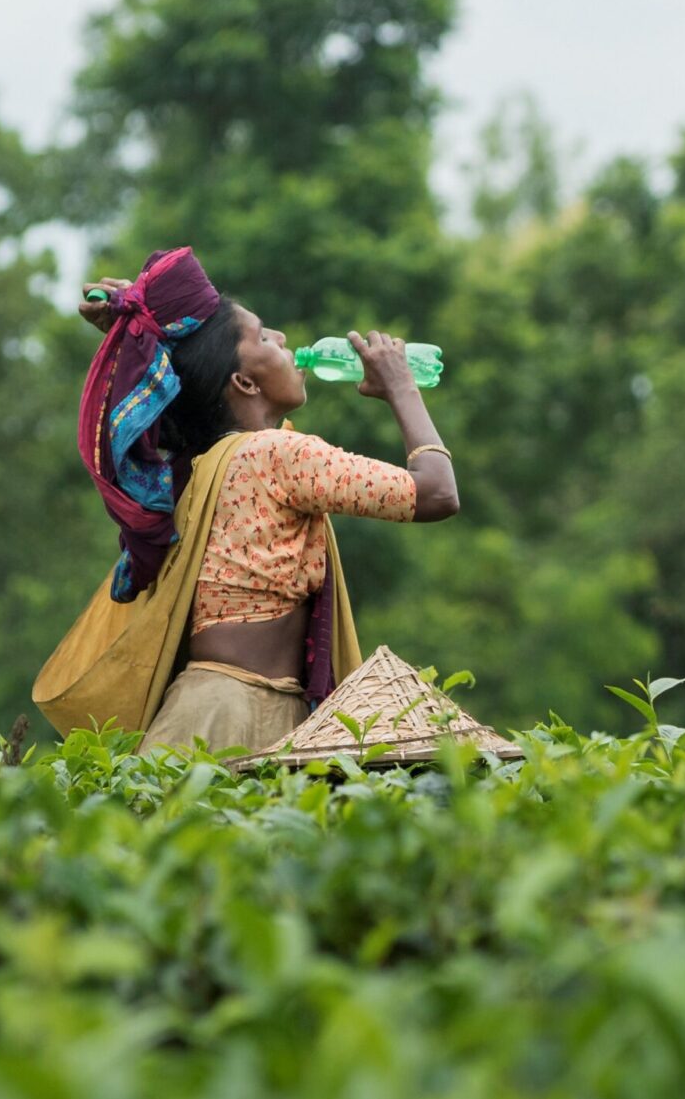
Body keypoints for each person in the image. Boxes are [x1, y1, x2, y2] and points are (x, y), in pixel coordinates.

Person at [31, 245, 458, 754]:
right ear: (244, 381)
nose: (281, 338)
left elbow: (177, 375)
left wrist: (153, 325)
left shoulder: (197, 466)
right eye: (262, 336)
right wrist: (402, 387)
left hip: (215, 706)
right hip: (232, 713)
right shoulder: (276, 455)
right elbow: (437, 492)